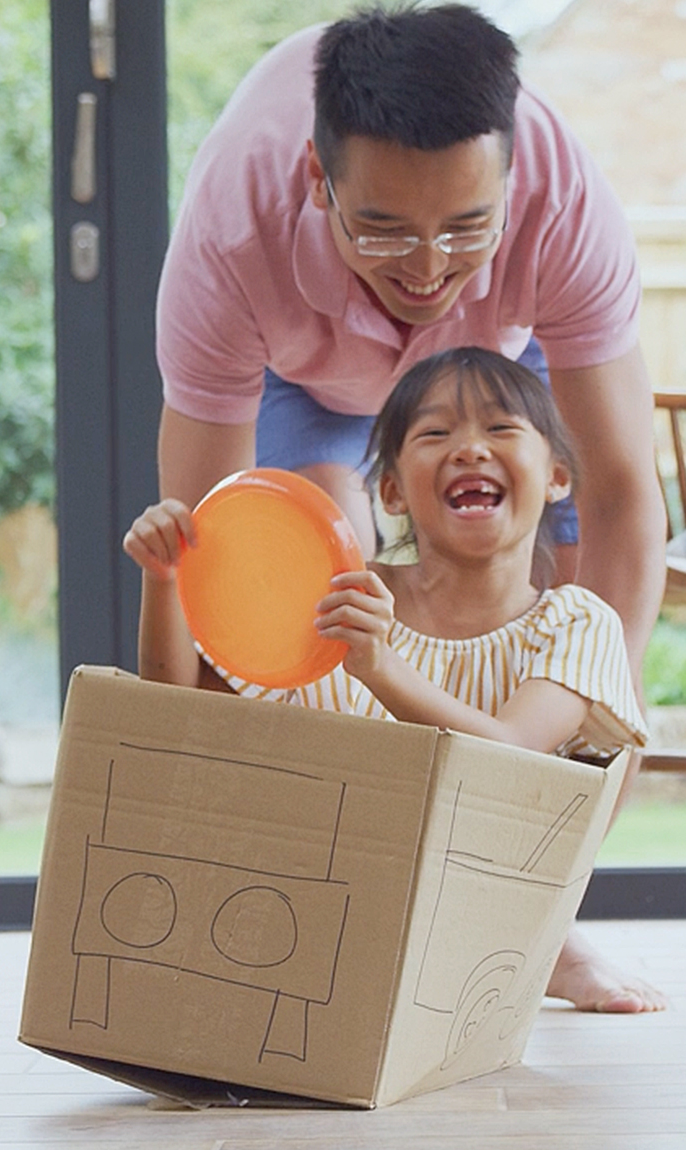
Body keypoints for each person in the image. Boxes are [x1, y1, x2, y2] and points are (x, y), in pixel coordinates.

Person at [153, 3, 667, 1011]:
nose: (427, 268)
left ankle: (539, 936)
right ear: (317, 181)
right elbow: (204, 574)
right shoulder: (230, 238)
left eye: (465, 227)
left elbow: (615, 496)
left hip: (491, 365)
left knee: (550, 593)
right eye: (382, 226)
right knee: (309, 588)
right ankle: (359, 897)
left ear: (512, 189)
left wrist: (548, 871)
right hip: (298, 381)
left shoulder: (565, 206)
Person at [125, 348, 664, 1008]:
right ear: (389, 490)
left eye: (499, 429)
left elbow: (511, 753)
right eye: (435, 433)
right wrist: (165, 580)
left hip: (487, 898)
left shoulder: (575, 622)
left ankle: (543, 945)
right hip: (333, 908)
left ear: (555, 476)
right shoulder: (334, 603)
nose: (468, 449)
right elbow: (177, 717)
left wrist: (381, 667)